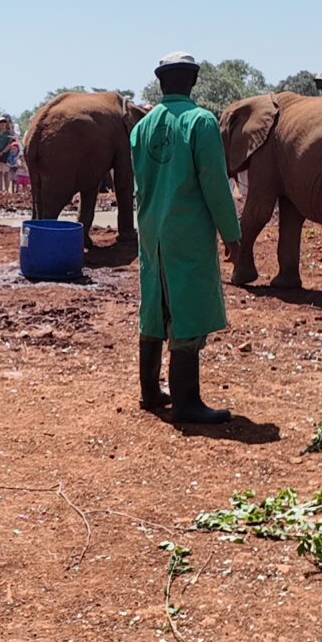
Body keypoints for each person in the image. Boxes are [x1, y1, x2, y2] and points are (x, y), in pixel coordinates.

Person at [133, 55, 241, 424]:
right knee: (187, 308)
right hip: (188, 231)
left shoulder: (142, 126)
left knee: (155, 303)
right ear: (192, 81)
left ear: (161, 83)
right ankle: (186, 401)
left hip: (151, 230)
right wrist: (232, 233)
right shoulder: (201, 122)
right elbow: (214, 182)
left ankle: (150, 391)